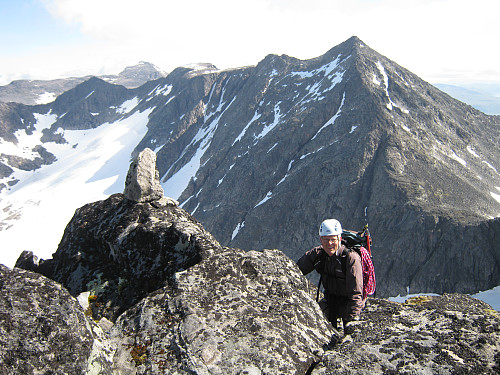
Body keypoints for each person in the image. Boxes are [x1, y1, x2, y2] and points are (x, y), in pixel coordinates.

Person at [297, 219, 363, 333]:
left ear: (340, 239)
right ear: (321, 240)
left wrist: (352, 320)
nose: (329, 243)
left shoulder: (350, 258)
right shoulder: (318, 255)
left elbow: (356, 293)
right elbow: (295, 269)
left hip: (348, 302)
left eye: (333, 240)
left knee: (348, 333)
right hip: (330, 300)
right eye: (326, 240)